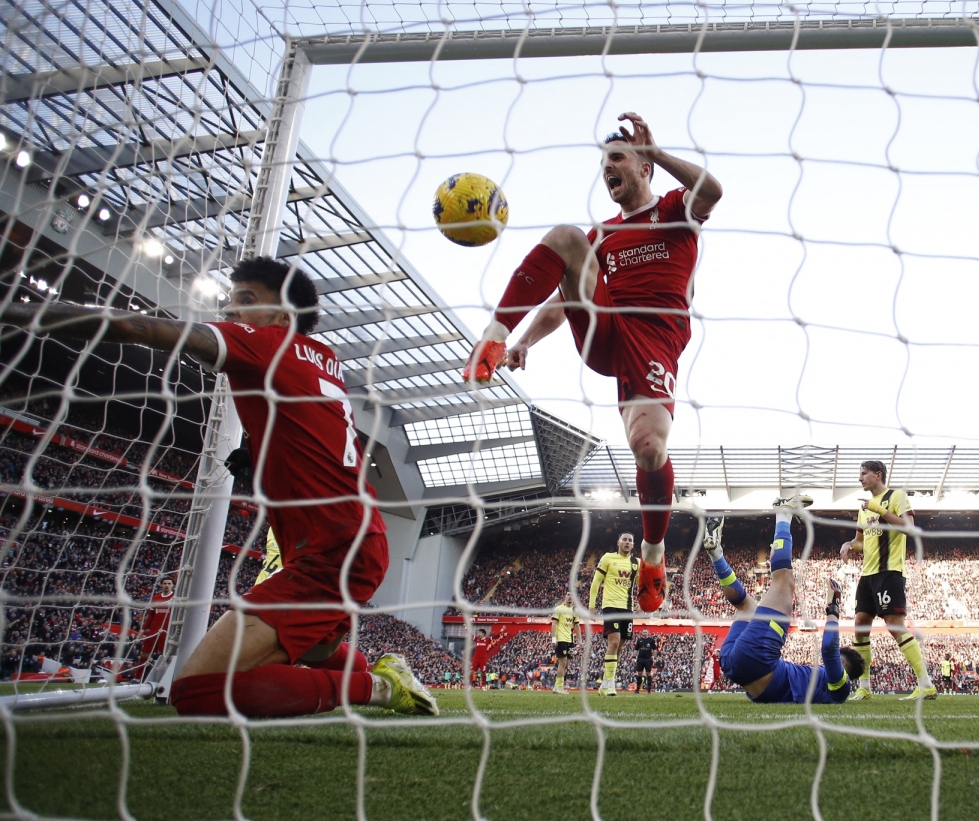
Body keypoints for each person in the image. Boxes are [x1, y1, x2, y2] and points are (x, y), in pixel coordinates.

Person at [2, 256, 436, 717]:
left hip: (332, 550)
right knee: (311, 651)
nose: (230, 312)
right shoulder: (326, 361)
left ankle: (379, 687)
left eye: (246, 301)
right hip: (347, 537)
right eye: (230, 301)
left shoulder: (267, 343)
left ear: (283, 317)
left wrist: (18, 310)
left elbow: (140, 330)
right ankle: (384, 669)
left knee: (198, 692)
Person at [462, 112, 724, 616]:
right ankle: (493, 336)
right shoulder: (601, 234)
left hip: (654, 339)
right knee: (565, 237)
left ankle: (652, 554)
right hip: (605, 331)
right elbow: (566, 300)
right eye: (604, 163)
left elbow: (712, 190)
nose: (609, 169)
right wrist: (526, 340)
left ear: (642, 167)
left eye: (618, 159)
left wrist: (659, 153)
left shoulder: (672, 211)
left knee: (647, 448)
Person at [702, 500, 865, 705]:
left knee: (785, 580)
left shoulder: (841, 686)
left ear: (841, 664)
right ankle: (716, 554)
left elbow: (829, 650)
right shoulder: (827, 690)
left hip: (757, 660)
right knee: (746, 606)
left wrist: (833, 607)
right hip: (735, 665)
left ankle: (784, 514)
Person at [839, 460, 936, 701]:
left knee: (894, 625)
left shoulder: (896, 496)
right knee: (860, 625)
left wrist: (880, 510)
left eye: (864, 474)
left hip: (889, 571)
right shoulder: (864, 508)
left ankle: (926, 685)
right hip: (868, 575)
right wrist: (850, 544)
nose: (860, 478)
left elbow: (910, 529)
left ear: (877, 475)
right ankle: (864, 687)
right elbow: (861, 540)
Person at [589, 532, 641, 695]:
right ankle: (610, 684)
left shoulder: (637, 563)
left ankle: (605, 682)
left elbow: (641, 585)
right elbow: (596, 581)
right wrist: (592, 606)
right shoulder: (608, 558)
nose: (627, 542)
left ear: (633, 545)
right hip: (610, 606)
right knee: (613, 643)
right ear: (618, 542)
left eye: (630, 540)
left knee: (619, 646)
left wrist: (642, 601)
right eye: (624, 539)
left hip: (628, 608)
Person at [137, 576, 174, 680]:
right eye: (164, 583)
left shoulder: (175, 598)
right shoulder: (156, 598)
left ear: (173, 585)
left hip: (167, 632)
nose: (167, 585)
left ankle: (163, 679)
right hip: (154, 630)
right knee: (144, 654)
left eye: (169, 583)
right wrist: (143, 628)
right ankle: (137, 678)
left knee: (164, 656)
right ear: (161, 585)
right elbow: (151, 615)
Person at [550, 597, 579, 694]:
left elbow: (577, 625)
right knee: (562, 663)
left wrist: (579, 640)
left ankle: (558, 686)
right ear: (565, 597)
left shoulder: (575, 611)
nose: (570, 597)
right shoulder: (559, 609)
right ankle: (559, 687)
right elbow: (554, 623)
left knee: (567, 665)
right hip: (561, 638)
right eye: (568, 594)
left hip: (570, 640)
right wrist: (554, 638)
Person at [634, 628, 658, 693]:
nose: (644, 633)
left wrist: (655, 658)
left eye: (645, 632)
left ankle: (649, 690)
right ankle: (637, 689)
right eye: (643, 632)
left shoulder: (651, 641)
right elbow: (636, 649)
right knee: (639, 673)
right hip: (640, 659)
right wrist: (634, 657)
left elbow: (655, 649)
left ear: (648, 633)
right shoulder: (639, 641)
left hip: (648, 659)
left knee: (648, 673)